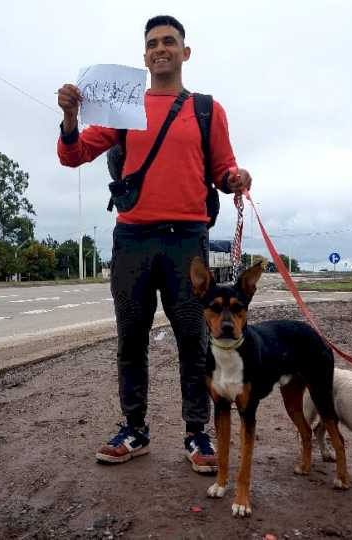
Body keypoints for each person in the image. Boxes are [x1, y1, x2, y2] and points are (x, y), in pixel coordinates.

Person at [56, 15, 252, 472]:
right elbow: (73, 155)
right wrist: (69, 116)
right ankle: (134, 429)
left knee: (194, 340)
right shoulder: (125, 109)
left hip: (187, 240)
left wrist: (236, 179)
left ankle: (197, 433)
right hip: (133, 239)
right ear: (144, 57)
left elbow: (224, 171)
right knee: (131, 339)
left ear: (186, 52)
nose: (159, 49)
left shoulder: (206, 109)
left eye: (169, 42)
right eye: (151, 44)